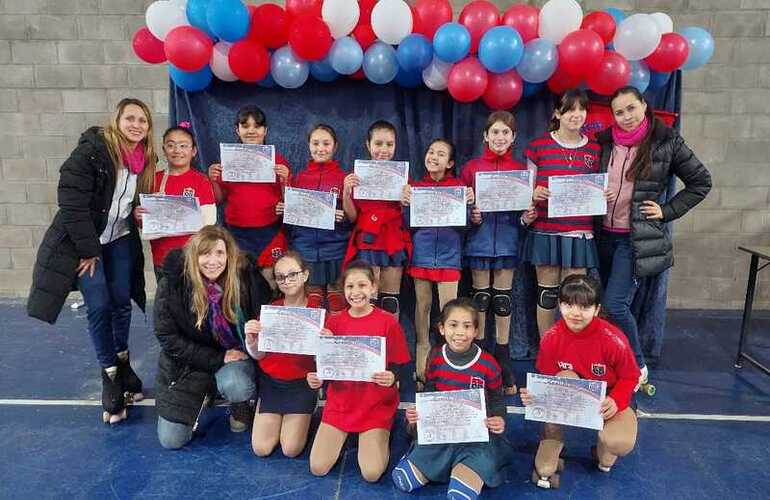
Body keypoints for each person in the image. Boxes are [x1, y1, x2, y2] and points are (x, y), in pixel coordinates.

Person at [27, 97, 157, 424]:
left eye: (142, 120)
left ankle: (124, 362)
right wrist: (88, 250)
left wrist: (140, 212)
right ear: (117, 120)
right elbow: (70, 201)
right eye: (130, 118)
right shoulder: (93, 151)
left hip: (121, 240)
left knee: (122, 302)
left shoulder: (146, 159)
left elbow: (129, 203)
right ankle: (110, 374)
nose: (136, 125)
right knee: (99, 305)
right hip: (86, 244)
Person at [595, 86, 711, 386]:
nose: (626, 117)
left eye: (631, 108)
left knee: (616, 303)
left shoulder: (666, 141)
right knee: (599, 307)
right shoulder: (603, 141)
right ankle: (610, 360)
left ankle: (638, 365)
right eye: (619, 112)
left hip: (633, 239)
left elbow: (701, 182)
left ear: (644, 106)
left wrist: (666, 211)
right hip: (598, 235)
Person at [153, 226, 271, 449]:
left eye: (219, 253)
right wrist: (218, 357)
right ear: (194, 256)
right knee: (171, 441)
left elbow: (265, 316)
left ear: (229, 255)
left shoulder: (246, 278)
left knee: (237, 385)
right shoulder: (172, 284)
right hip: (188, 363)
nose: (213, 261)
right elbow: (167, 337)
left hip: (235, 356)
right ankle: (205, 392)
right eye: (205, 254)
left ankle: (239, 402)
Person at [520, 274, 640, 488]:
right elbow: (546, 380)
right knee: (562, 380)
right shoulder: (551, 338)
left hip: (608, 396)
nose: (575, 313)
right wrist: (533, 395)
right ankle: (553, 437)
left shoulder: (614, 339)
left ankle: (603, 449)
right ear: (559, 305)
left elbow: (631, 376)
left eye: (584, 307)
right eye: (568, 305)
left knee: (618, 444)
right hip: (572, 391)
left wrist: (616, 400)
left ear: (596, 309)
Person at [392, 298, 511, 500]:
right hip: (443, 433)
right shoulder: (436, 358)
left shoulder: (488, 364)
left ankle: (465, 467)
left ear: (475, 331)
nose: (460, 333)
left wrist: (499, 419)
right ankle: (439, 462)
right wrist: (417, 414)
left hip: (476, 438)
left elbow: (498, 401)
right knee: (402, 480)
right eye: (453, 325)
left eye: (467, 326)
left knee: (460, 495)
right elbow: (430, 392)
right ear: (441, 328)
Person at [307, 260, 410, 482]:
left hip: (374, 404)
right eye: (350, 287)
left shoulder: (387, 323)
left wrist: (392, 377)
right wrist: (317, 379)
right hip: (341, 403)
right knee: (317, 467)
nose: (356, 292)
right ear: (343, 291)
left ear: (374, 287)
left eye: (362, 285)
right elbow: (325, 367)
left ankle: (382, 433)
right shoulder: (333, 323)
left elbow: (399, 365)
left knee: (371, 473)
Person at [460, 110, 536, 393]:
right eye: (495, 132)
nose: (500, 137)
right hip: (479, 242)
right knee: (480, 300)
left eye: (506, 132)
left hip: (507, 241)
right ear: (485, 136)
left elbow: (522, 214)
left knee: (503, 301)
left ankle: (502, 355)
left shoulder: (520, 172)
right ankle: (478, 353)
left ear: (513, 137)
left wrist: (526, 219)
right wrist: (472, 216)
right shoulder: (471, 168)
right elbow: (459, 209)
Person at [522, 89, 607, 340]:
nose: (576, 115)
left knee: (577, 300)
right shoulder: (538, 146)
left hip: (579, 234)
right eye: (570, 109)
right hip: (546, 232)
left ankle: (573, 351)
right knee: (547, 296)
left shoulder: (595, 148)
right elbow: (525, 193)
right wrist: (533, 194)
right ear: (557, 113)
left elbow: (601, 186)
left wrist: (606, 194)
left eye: (581, 109)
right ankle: (548, 350)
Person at [401, 138, 471, 383]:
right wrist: (406, 203)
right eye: (431, 152)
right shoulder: (416, 187)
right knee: (422, 310)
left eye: (441, 154)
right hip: (421, 256)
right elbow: (409, 224)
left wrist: (470, 205)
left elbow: (467, 224)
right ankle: (421, 366)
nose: (433, 156)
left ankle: (448, 366)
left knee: (450, 313)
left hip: (449, 258)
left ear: (450, 162)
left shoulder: (459, 187)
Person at [244, 252, 322, 458]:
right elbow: (259, 356)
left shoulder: (317, 313)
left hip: (301, 384)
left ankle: (309, 406)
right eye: (280, 277)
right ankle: (266, 407)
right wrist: (251, 341)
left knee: (291, 449)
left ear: (305, 275)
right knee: (261, 448)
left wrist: (325, 345)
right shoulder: (270, 312)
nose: (287, 281)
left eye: (292, 274)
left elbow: (322, 361)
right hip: (272, 383)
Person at [207, 105, 291, 290]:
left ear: (265, 130)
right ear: (237, 130)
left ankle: (266, 318)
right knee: (238, 284)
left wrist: (285, 180)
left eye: (257, 126)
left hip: (269, 230)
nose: (251, 130)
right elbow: (219, 199)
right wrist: (213, 180)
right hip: (237, 232)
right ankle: (241, 320)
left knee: (270, 282)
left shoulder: (278, 161)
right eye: (245, 126)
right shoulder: (228, 161)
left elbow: (288, 203)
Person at [277, 124, 350, 313]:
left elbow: (353, 217)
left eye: (326, 143)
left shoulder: (344, 178)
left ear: (335, 146)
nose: (321, 148)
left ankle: (336, 338)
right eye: (315, 143)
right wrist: (284, 208)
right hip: (305, 249)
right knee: (312, 302)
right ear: (308, 145)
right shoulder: (299, 178)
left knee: (337, 301)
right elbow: (291, 218)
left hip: (336, 248)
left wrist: (343, 217)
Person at [342, 121, 411, 315]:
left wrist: (408, 200)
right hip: (368, 243)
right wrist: (346, 193)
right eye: (378, 143)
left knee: (390, 302)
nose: (384, 149)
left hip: (393, 242)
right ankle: (369, 343)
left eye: (389, 144)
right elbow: (352, 217)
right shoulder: (357, 177)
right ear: (368, 145)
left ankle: (389, 342)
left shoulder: (404, 178)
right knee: (367, 301)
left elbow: (410, 218)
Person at [137, 123, 216, 283]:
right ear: (164, 149)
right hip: (162, 257)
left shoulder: (201, 181)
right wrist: (138, 216)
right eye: (171, 145)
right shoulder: (152, 180)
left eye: (183, 146)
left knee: (194, 304)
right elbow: (144, 222)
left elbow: (209, 222)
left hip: (192, 258)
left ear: (193, 151)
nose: (177, 150)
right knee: (166, 303)